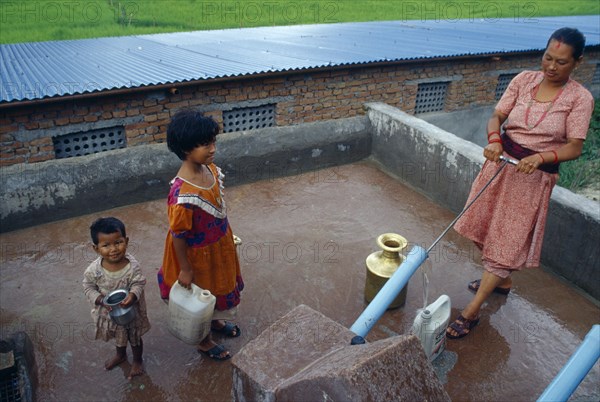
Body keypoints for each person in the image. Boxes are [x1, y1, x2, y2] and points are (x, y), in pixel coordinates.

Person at [446, 27, 594, 339]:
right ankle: (503, 281)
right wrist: (494, 140)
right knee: (477, 226)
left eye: (562, 62)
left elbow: (575, 147)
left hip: (532, 177)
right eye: (548, 58)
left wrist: (540, 158)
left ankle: (472, 312)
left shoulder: (580, 98)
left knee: (507, 241)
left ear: (577, 62)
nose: (551, 67)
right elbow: (496, 116)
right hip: (500, 165)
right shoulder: (523, 80)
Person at [160, 109, 243, 360]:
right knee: (201, 294)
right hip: (196, 256)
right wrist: (185, 269)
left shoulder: (211, 170)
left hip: (218, 245)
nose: (213, 148)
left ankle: (216, 322)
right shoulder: (182, 194)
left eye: (213, 141)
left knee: (217, 288)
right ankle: (204, 341)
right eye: (205, 144)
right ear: (186, 150)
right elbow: (178, 235)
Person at [83, 217, 151, 379]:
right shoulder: (94, 270)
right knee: (119, 335)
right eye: (106, 245)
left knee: (134, 337)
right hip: (111, 313)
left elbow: (139, 282)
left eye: (118, 242)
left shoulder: (132, 266)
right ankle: (120, 355)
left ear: (126, 241)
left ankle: (137, 360)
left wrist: (133, 295)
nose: (113, 249)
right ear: (96, 248)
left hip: (132, 311)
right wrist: (100, 299)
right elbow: (88, 286)